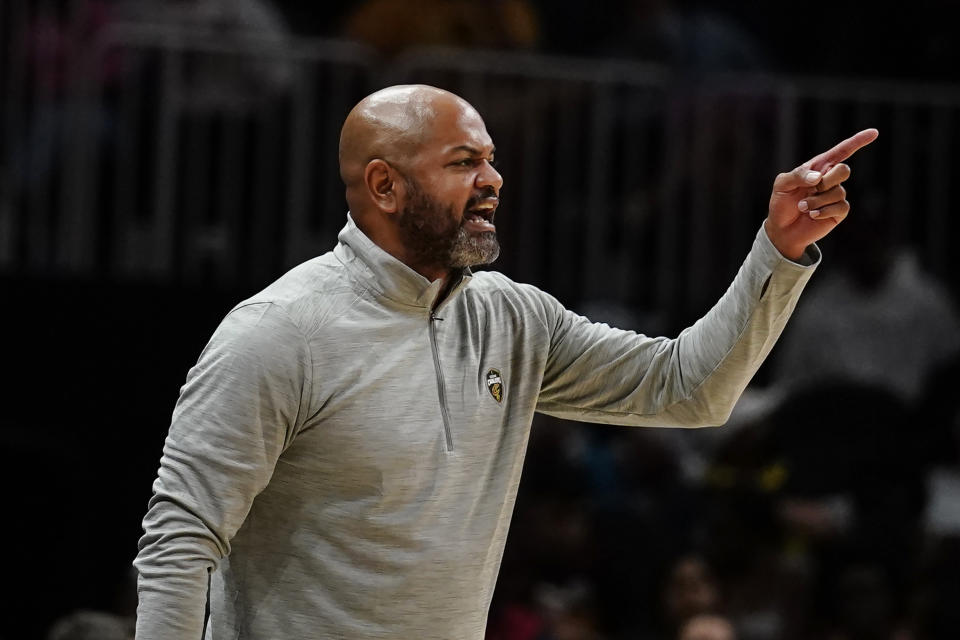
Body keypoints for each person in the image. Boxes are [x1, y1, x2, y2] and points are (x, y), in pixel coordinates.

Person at [133, 84, 877, 639]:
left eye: (492, 160)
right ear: (386, 185)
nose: (493, 180)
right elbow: (180, 536)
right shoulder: (277, 333)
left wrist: (776, 250)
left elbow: (690, 390)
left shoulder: (512, 318)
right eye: (464, 163)